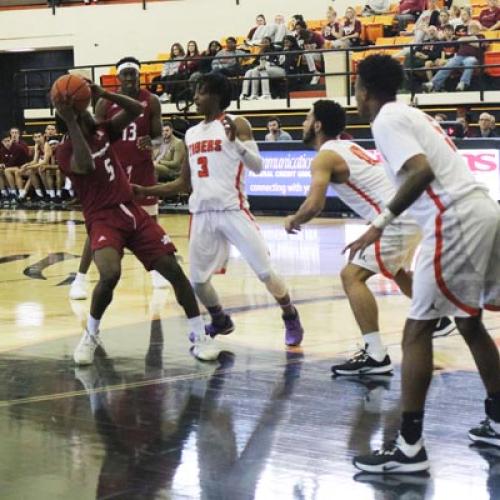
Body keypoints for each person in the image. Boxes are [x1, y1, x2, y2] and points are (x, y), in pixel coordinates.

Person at [349, 54, 500, 473]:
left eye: (356, 88)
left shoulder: (385, 120)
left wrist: (379, 224)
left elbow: (420, 172)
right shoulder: (411, 113)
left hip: (453, 218)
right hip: (481, 209)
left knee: (417, 330)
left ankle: (409, 447)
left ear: (364, 89)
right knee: (467, 321)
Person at [134, 73, 304, 347]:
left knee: (264, 272)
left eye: (200, 92)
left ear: (214, 95)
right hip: (202, 214)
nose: (195, 98)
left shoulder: (237, 123)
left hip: (233, 210)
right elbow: (183, 182)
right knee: (199, 282)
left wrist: (235, 142)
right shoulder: (190, 133)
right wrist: (146, 191)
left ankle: (289, 313)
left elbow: (258, 166)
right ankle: (220, 319)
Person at [284, 99, 452, 375]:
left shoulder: (324, 156)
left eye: (306, 118)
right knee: (397, 270)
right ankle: (439, 317)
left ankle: (375, 355)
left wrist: (293, 219)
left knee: (351, 276)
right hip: (407, 214)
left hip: (393, 219)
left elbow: (314, 204)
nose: (303, 123)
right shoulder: (348, 146)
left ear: (317, 125)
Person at [54, 83, 218, 364]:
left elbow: (137, 109)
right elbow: (87, 166)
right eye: (85, 114)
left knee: (174, 272)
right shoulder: (64, 151)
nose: (92, 114)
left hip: (131, 210)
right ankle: (90, 334)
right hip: (103, 218)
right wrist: (71, 121)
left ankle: (199, 335)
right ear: (73, 119)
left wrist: (104, 93)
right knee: (109, 274)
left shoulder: (104, 130)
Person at [69, 56, 168, 301]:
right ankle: (80, 278)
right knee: (99, 226)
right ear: (119, 78)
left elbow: (158, 136)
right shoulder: (105, 102)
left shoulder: (151, 100)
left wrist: (151, 142)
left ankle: (156, 271)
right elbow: (95, 133)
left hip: (142, 169)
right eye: (125, 74)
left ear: (138, 76)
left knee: (151, 222)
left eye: (133, 74)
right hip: (115, 169)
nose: (129, 79)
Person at [422, 21, 484, 92]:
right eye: (470, 27)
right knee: (448, 65)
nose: (471, 29)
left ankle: (463, 83)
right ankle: (432, 84)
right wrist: (471, 40)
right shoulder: (465, 36)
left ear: (478, 29)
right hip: (459, 57)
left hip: (472, 57)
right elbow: (459, 40)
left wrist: (469, 39)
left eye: (474, 27)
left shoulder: (481, 36)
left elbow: (478, 45)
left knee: (470, 61)